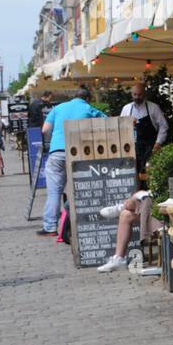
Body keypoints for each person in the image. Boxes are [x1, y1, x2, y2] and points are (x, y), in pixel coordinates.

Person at [38, 87, 106, 238]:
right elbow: (107, 123)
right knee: (80, 190)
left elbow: (45, 130)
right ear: (87, 98)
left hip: (57, 153)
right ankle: (79, 222)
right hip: (80, 154)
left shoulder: (58, 108)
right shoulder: (89, 108)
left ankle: (50, 227)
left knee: (54, 192)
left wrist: (57, 137)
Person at [120, 80, 169, 175]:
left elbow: (163, 126)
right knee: (133, 174)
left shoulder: (153, 108)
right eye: (135, 95)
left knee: (150, 173)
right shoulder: (126, 109)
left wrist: (158, 142)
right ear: (131, 95)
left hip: (150, 147)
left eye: (140, 95)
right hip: (132, 148)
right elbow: (120, 127)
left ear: (144, 94)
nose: (137, 97)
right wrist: (128, 124)